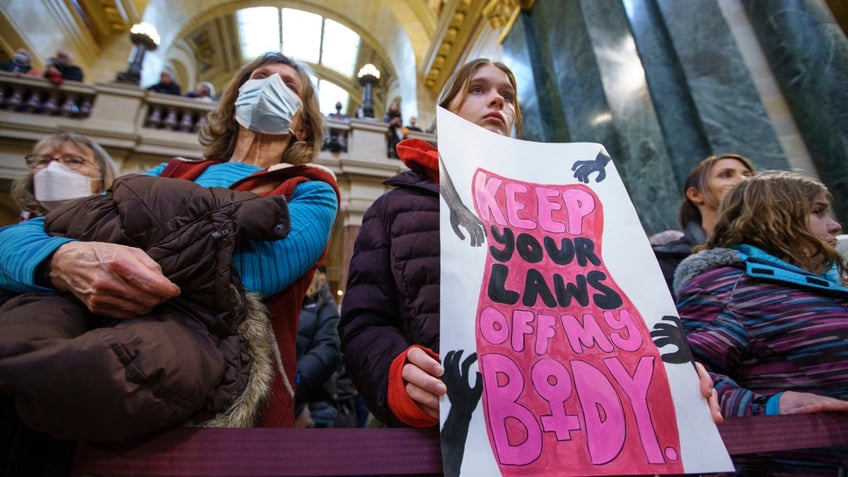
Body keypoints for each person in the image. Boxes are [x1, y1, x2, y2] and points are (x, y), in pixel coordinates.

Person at [340, 59, 721, 437]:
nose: (496, 101)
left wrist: (674, 373)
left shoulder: (570, 204)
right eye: (477, 89)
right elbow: (365, 324)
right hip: (459, 434)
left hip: (582, 428)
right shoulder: (394, 208)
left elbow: (616, 312)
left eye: (507, 96)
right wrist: (397, 373)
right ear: (446, 113)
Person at [0, 52, 338, 445]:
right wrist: (59, 258)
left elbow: (255, 273)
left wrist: (120, 255)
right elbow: (24, 236)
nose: (270, 86)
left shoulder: (310, 189)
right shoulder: (169, 171)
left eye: (288, 85)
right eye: (260, 77)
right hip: (93, 364)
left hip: (226, 394)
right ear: (233, 106)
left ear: (301, 126)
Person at [674, 170, 848, 476]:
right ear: (774, 216)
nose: (835, 225)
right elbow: (682, 374)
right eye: (818, 212)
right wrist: (766, 406)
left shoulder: (827, 282)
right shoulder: (724, 287)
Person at [652, 153, 755, 297]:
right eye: (726, 175)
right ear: (695, 195)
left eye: (748, 175)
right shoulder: (666, 261)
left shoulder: (779, 250)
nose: (744, 180)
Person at [10, 132, 118, 221]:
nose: (53, 167)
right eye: (44, 160)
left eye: (73, 160)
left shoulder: (121, 227)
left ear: (103, 176)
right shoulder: (18, 231)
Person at [294, 266, 342, 428]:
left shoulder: (321, 298)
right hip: (269, 400)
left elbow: (328, 348)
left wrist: (294, 385)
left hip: (313, 402)